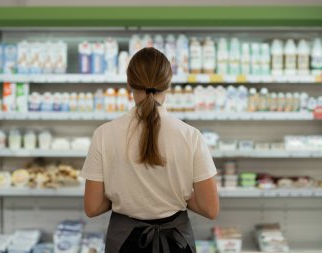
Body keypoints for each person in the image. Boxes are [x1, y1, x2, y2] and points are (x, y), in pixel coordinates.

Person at [81, 47, 219, 253]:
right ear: (169, 83)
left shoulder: (104, 134)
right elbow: (210, 208)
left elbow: (92, 208)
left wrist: (125, 194)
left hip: (124, 242)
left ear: (129, 83)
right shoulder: (190, 135)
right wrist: (181, 196)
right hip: (176, 242)